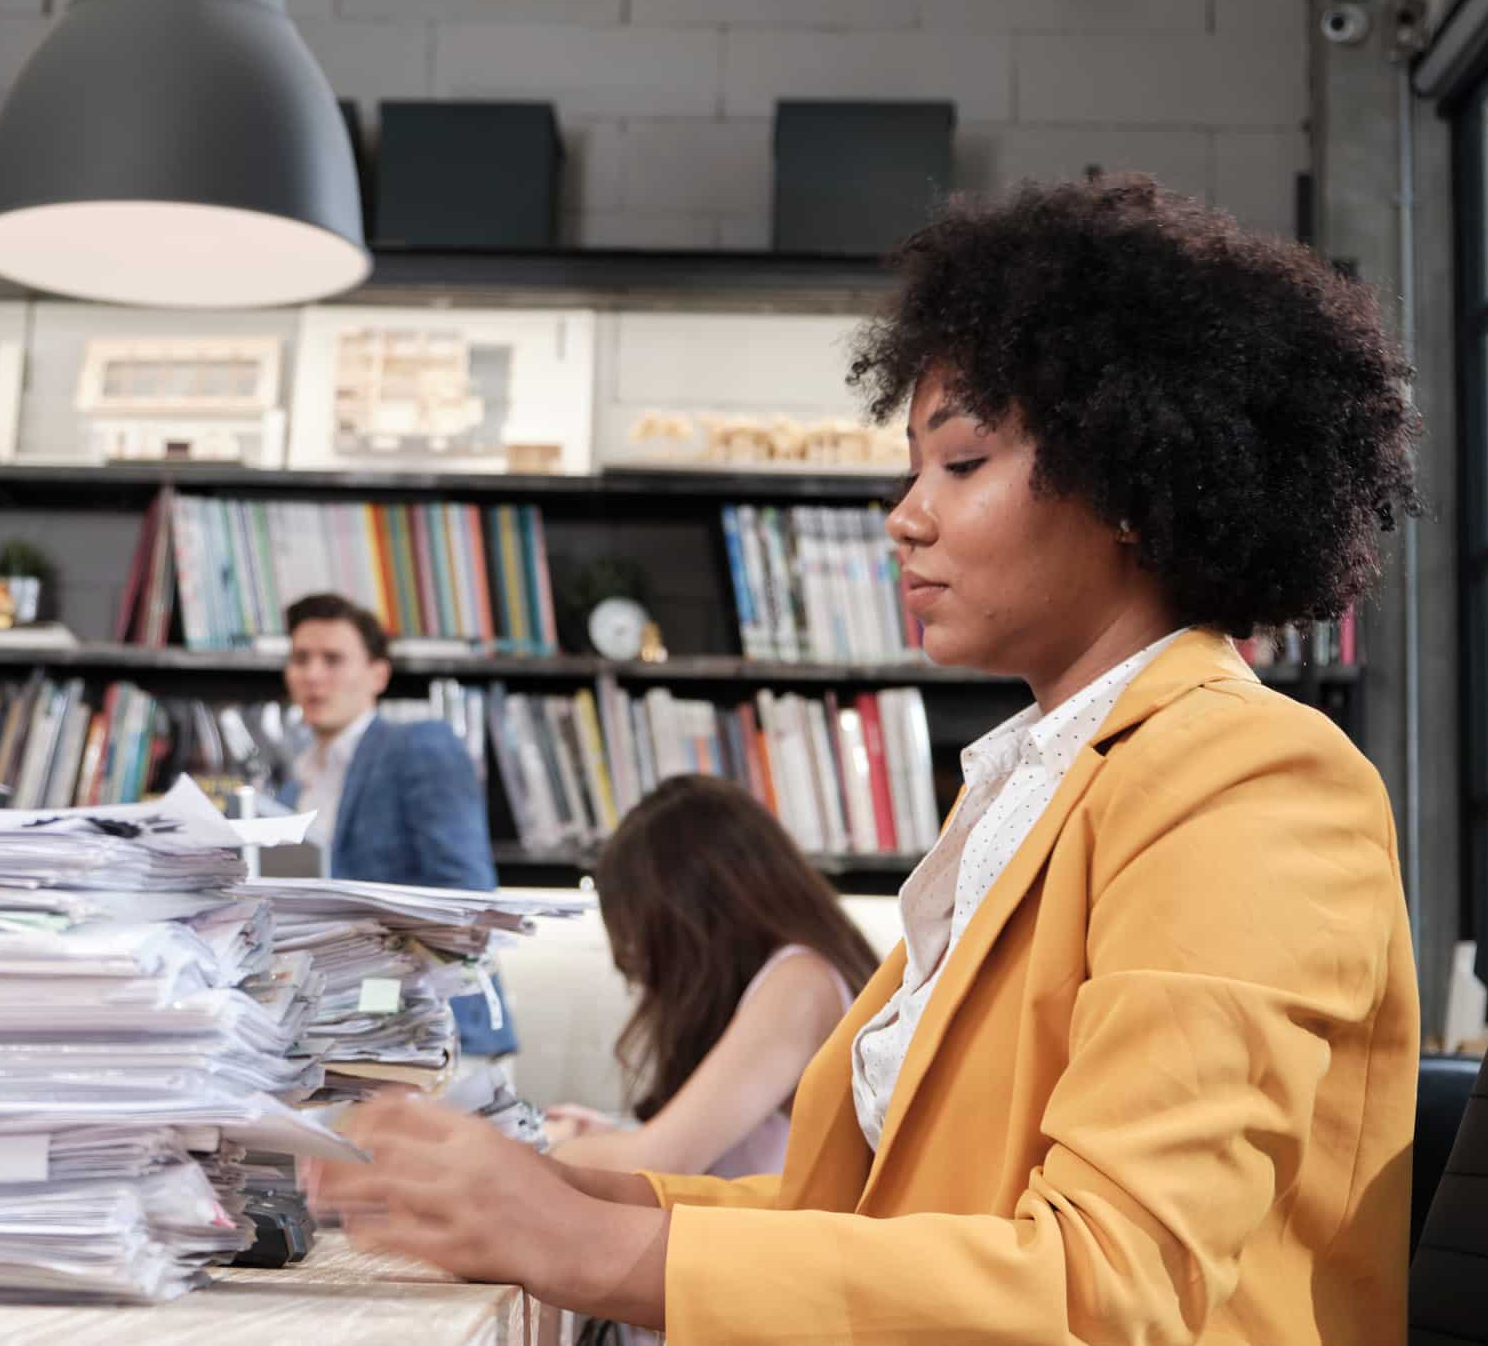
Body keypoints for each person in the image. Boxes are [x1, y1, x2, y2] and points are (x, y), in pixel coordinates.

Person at [311, 175, 1422, 1344]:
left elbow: (1107, 1287)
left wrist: (585, 1242)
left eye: (960, 463)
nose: (903, 515)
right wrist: (564, 1191)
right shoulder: (1033, 783)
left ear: (1129, 486)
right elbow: (852, 1215)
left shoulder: (1250, 777)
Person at [545, 775, 879, 1178]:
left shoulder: (800, 984)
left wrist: (540, 1146)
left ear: (681, 917)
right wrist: (603, 1140)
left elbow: (655, 1162)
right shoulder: (791, 977)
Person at [279, 592, 516, 1061]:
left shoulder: (420, 747)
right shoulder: (291, 788)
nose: (312, 675)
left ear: (378, 674)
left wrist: (385, 1006)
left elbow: (466, 902)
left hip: (435, 1036)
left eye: (333, 659)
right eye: (301, 658)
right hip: (336, 1037)